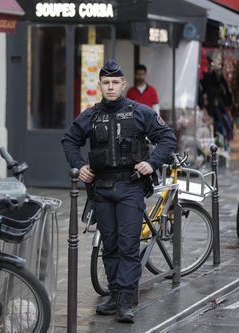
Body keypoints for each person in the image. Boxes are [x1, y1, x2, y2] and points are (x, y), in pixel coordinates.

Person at [61, 59, 176, 323]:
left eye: (115, 83)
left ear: (123, 85)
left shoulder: (140, 112)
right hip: (101, 188)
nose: (110, 87)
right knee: (110, 245)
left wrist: (152, 162)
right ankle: (114, 294)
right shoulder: (91, 115)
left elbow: (167, 137)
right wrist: (79, 167)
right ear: (100, 85)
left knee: (128, 245)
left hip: (130, 188)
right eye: (106, 83)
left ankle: (126, 299)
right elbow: (69, 141)